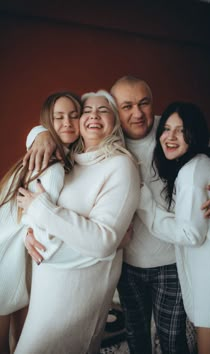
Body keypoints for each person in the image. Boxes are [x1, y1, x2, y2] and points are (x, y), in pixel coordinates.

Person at [22, 76, 210, 354]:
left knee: (173, 341)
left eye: (144, 103)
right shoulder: (100, 140)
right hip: (129, 263)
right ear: (117, 112)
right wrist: (40, 133)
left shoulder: (168, 128)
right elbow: (62, 123)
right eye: (127, 106)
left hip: (168, 260)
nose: (137, 113)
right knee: (137, 338)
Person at [15, 90, 140, 354]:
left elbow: (103, 241)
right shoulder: (68, 158)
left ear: (115, 121)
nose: (93, 115)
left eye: (103, 110)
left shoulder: (120, 165)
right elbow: (39, 213)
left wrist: (42, 212)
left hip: (80, 291)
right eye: (87, 110)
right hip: (47, 285)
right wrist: (31, 232)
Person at [137, 101, 210, 354]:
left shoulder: (192, 172)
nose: (170, 137)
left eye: (181, 131)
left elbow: (189, 233)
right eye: (167, 129)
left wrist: (145, 203)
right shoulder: (201, 164)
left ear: (195, 135)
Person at [0, 91, 81, 354]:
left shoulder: (54, 154)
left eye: (73, 115)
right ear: (48, 123)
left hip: (15, 247)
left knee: (17, 331)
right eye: (59, 118)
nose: (67, 122)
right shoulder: (53, 163)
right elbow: (44, 216)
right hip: (8, 247)